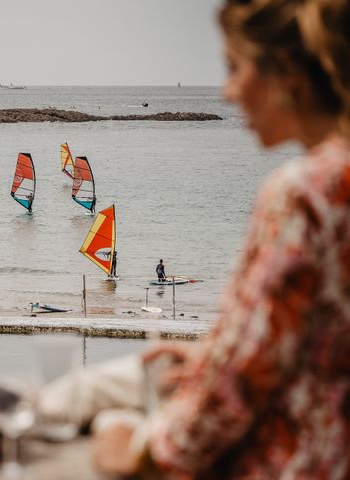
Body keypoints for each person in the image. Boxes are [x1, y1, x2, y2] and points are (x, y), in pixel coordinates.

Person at [94, 0, 350, 477]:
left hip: (300, 463)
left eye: (235, 68)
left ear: (287, 74)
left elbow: (236, 390)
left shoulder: (308, 192)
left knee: (97, 410)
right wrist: (213, 357)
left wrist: (139, 450)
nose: (227, 93)